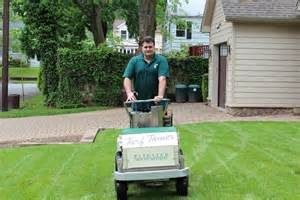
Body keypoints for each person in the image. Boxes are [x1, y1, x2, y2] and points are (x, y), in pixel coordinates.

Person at [123, 36, 169, 107]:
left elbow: (162, 79)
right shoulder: (134, 60)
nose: (148, 49)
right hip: (138, 102)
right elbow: (127, 78)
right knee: (137, 118)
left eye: (150, 47)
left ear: (154, 47)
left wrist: (160, 96)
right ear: (142, 48)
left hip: (156, 103)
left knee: (157, 118)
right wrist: (129, 93)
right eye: (145, 47)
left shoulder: (161, 60)